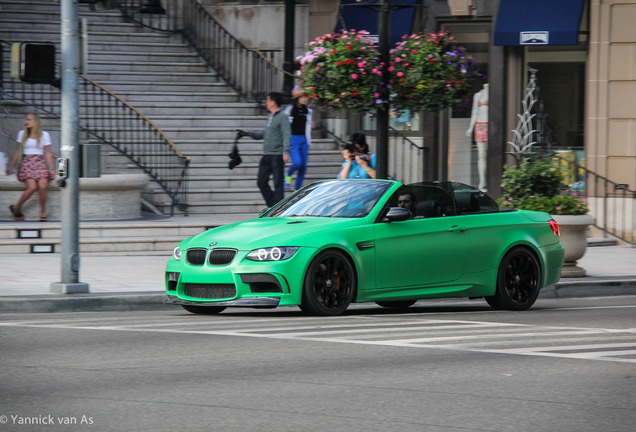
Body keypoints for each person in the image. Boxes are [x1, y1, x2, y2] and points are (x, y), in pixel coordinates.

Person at [243, 92, 291, 207]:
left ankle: (278, 208)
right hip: (267, 155)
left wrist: (286, 152)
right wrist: (249, 134)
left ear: (273, 102)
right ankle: (273, 206)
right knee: (261, 181)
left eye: (268, 100)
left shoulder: (282, 116)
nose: (266, 102)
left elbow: (287, 134)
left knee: (278, 183)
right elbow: (265, 134)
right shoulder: (270, 117)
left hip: (277, 154)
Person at [6, 112, 56, 221]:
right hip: (27, 162)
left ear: (35, 122)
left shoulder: (44, 135)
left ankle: (42, 213)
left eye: (29, 119)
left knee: (42, 186)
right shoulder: (22, 133)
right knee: (32, 187)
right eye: (26, 119)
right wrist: (11, 166)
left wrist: (51, 169)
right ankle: (16, 207)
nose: (26, 122)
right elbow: (18, 150)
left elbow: (48, 153)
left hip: (39, 162)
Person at [284, 88, 314, 191]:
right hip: (293, 139)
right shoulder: (290, 110)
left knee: (303, 167)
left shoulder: (308, 111)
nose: (305, 99)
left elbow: (307, 125)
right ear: (297, 98)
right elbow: (285, 125)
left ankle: (297, 189)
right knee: (297, 163)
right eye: (302, 97)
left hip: (304, 140)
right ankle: (287, 174)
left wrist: (311, 126)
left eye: (305, 96)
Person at [466, 83, 489, 191]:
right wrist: (470, 127)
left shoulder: (493, 94)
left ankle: (490, 180)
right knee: (481, 155)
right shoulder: (478, 95)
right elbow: (474, 112)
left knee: (492, 155)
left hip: (490, 126)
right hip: (480, 126)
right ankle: (482, 181)